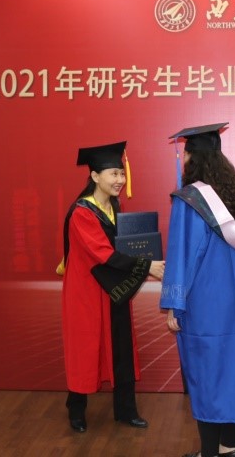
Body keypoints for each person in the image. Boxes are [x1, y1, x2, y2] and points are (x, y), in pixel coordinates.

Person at [160, 123, 235, 457]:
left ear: (191, 157)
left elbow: (182, 256)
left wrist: (175, 304)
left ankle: (209, 452)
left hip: (204, 302)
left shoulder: (189, 200)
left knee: (206, 375)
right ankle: (230, 449)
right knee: (231, 373)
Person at [59, 140, 164, 433]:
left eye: (121, 173)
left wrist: (144, 255)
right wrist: (147, 265)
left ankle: (126, 410)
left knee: (121, 347)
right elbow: (103, 253)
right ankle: (76, 410)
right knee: (85, 348)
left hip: (113, 286)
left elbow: (123, 247)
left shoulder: (114, 207)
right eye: (113, 174)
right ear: (95, 176)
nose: (120, 180)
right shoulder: (82, 212)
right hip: (87, 291)